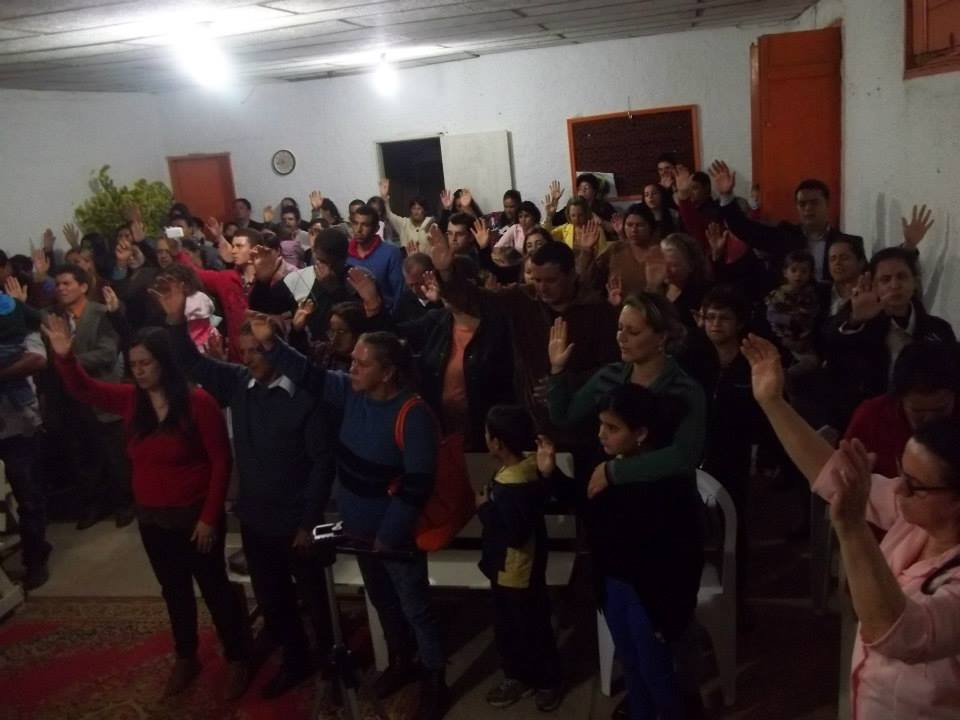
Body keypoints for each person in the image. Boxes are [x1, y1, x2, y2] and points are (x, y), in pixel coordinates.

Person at [742, 333, 960, 719]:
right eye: (901, 475)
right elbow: (829, 472)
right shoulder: (915, 522)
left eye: (914, 484)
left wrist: (852, 527)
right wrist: (773, 403)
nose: (898, 489)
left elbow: (897, 633)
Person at [249, 321, 448, 720]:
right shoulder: (352, 394)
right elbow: (309, 373)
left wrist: (389, 535)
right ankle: (401, 660)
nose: (351, 368)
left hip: (395, 537)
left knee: (415, 607)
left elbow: (417, 485)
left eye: (361, 363)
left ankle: (434, 678)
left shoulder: (413, 415)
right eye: (352, 360)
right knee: (382, 600)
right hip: (360, 533)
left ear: (387, 373)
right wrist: (272, 343)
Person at [43, 317, 250, 699]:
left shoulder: (197, 402)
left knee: (214, 588)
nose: (138, 371)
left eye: (145, 363)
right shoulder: (131, 400)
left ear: (164, 363)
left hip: (194, 516)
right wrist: (65, 358)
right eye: (133, 364)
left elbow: (221, 461)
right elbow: (84, 389)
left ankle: (238, 656)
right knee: (174, 590)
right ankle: (186, 656)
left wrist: (209, 517)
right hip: (153, 516)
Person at [154, 278, 334, 699]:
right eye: (245, 350)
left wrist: (309, 522)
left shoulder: (306, 396)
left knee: (316, 599)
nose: (249, 358)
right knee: (273, 599)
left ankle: (330, 662)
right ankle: (296, 661)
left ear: (278, 348)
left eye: (258, 350)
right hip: (257, 518)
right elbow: (191, 363)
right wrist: (176, 320)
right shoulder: (239, 383)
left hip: (297, 521)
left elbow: (322, 464)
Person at [552, 384, 703, 720]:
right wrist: (552, 476)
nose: (601, 434)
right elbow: (587, 505)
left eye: (612, 427)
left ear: (641, 433)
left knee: (656, 672)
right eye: (601, 424)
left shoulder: (667, 483)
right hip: (614, 583)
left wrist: (673, 614)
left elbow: (685, 554)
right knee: (632, 663)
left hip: (649, 593)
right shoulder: (606, 465)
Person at [429, 234, 620, 446]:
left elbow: (611, 367)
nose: (542, 288)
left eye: (551, 280)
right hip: (533, 423)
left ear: (572, 275)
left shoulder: (597, 310)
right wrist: (447, 273)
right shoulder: (523, 299)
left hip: (585, 424)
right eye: (537, 280)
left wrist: (566, 384)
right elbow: (477, 301)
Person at [546, 292, 705, 495]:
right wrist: (557, 371)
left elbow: (685, 456)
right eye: (620, 328)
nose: (621, 338)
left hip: (666, 498)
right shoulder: (609, 376)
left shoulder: (685, 390)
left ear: (662, 337)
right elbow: (564, 417)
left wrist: (614, 471)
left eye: (633, 332)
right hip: (614, 497)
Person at [478, 405, 562, 712]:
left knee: (526, 627)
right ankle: (522, 676)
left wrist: (485, 508)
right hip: (515, 568)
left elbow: (514, 533)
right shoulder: (527, 468)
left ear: (498, 442)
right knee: (517, 625)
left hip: (515, 570)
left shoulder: (514, 485)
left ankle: (545, 681)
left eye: (487, 434)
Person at [823, 247, 956, 427]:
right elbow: (829, 347)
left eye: (902, 277)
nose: (895, 285)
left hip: (927, 420)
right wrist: (856, 320)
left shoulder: (939, 329)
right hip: (868, 419)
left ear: (915, 282)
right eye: (885, 279)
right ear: (874, 285)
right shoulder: (856, 320)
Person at [47, 264, 132, 529]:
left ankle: (125, 503)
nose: (61, 289)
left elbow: (107, 353)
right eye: (58, 284)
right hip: (72, 399)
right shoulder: (57, 317)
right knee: (84, 455)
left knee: (115, 455)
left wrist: (69, 361)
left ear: (83, 286)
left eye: (67, 283)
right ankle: (94, 505)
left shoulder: (101, 313)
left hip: (102, 392)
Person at [709, 161, 863, 282]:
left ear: (827, 203)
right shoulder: (785, 235)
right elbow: (744, 228)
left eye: (814, 203)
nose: (808, 208)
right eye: (802, 204)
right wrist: (727, 196)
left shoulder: (847, 243)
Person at [845, 341, 960, 478]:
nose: (930, 420)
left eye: (940, 410)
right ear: (899, 399)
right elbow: (844, 473)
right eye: (918, 411)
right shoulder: (871, 417)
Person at [0, 331, 51, 590]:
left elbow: (37, 359)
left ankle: (34, 560)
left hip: (18, 427)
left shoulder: (16, 321)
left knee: (28, 497)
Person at [579, 203, 660, 299]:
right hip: (618, 305)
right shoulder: (616, 249)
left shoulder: (660, 252)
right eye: (629, 225)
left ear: (650, 227)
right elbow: (590, 279)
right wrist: (587, 250)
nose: (634, 230)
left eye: (640, 225)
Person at [765, 249, 821, 374]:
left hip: (804, 339)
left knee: (813, 362)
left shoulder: (811, 294)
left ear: (811, 274)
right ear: (785, 272)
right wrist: (790, 320)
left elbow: (813, 315)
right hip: (782, 336)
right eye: (794, 270)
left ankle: (788, 374)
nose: (798, 275)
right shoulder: (778, 294)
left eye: (804, 271)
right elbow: (771, 315)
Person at [345, 204, 404, 313]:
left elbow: (398, 292)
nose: (358, 229)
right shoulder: (345, 252)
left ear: (376, 228)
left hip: (383, 316)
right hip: (353, 316)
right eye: (355, 223)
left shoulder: (391, 253)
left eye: (365, 225)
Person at [379, 180, 434, 253]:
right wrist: (384, 198)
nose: (416, 212)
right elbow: (389, 214)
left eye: (419, 208)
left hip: (427, 259)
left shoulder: (431, 223)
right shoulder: (404, 224)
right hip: (409, 259)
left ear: (424, 210)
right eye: (413, 208)